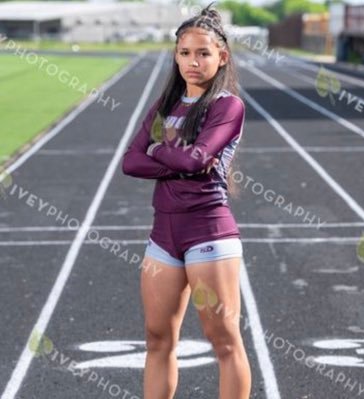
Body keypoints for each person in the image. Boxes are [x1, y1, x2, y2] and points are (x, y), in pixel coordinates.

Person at [122, 2, 251, 398]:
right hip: (163, 234)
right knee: (157, 339)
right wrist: (177, 159)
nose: (192, 61)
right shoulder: (165, 106)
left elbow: (194, 159)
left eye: (203, 52)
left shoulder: (227, 106)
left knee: (225, 342)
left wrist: (160, 152)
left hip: (207, 232)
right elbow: (130, 162)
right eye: (184, 53)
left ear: (222, 55)